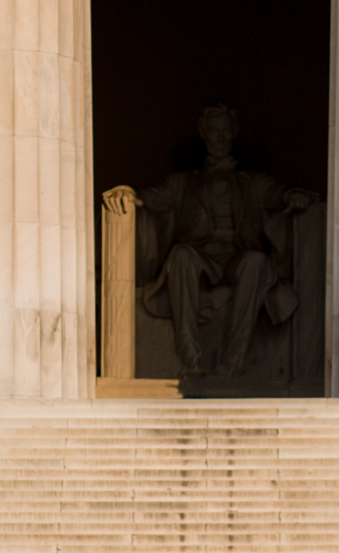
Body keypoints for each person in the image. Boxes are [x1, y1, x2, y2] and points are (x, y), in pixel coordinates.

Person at [132, 104, 314, 375]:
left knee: (256, 261)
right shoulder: (183, 183)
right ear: (204, 134)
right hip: (198, 257)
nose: (219, 137)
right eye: (214, 131)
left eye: (225, 131)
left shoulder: (251, 182)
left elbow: (279, 194)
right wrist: (125, 193)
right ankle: (190, 355)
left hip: (236, 257)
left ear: (233, 134)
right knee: (180, 255)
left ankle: (233, 361)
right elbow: (147, 197)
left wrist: (294, 196)